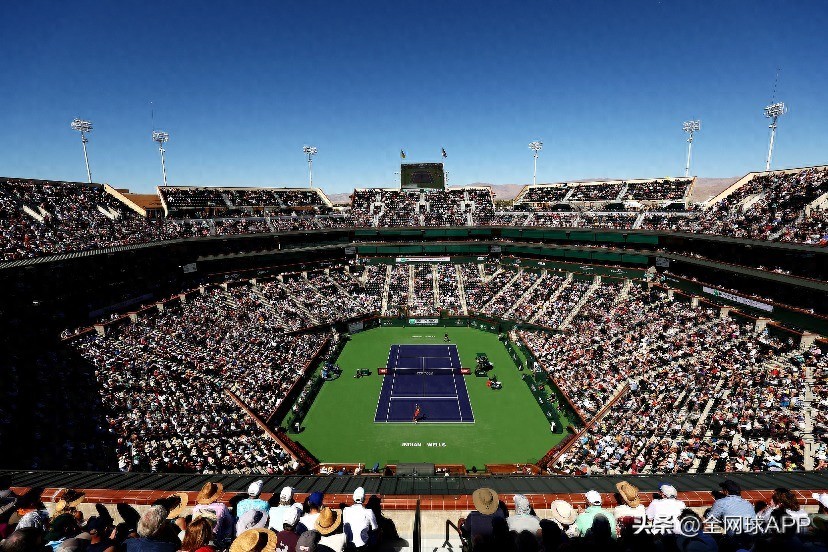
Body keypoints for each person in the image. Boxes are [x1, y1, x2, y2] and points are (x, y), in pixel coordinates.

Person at [192, 482, 234, 548]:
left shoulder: (196, 508)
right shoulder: (221, 507)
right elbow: (229, 524)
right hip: (216, 540)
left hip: (198, 539)